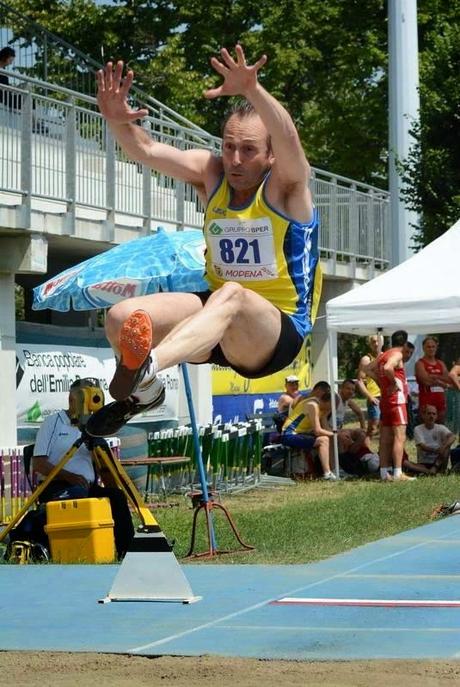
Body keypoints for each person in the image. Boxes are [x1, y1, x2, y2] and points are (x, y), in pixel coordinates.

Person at [88, 44, 320, 437]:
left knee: (232, 294)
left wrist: (252, 90)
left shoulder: (287, 189)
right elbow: (145, 149)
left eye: (248, 150)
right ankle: (146, 393)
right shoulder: (210, 173)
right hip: (214, 322)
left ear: (270, 157)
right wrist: (115, 121)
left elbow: (290, 138)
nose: (234, 160)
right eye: (229, 146)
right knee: (121, 318)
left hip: (275, 332)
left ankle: (145, 368)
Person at [32, 379, 134, 559]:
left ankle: (127, 552)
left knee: (116, 497)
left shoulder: (94, 428)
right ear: (71, 399)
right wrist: (70, 477)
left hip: (87, 488)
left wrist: (100, 454)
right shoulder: (53, 423)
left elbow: (109, 480)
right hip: (56, 487)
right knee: (77, 491)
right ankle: (74, 550)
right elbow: (38, 464)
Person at [367, 331, 415, 482]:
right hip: (397, 401)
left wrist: (381, 383)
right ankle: (398, 473)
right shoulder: (398, 354)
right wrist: (393, 383)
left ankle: (383, 473)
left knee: (385, 438)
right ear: (405, 343)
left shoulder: (383, 354)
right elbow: (388, 368)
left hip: (386, 401)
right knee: (400, 437)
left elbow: (367, 369)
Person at [281, 385, 336, 480]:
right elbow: (318, 431)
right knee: (324, 440)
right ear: (328, 402)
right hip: (289, 434)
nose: (332, 409)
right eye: (332, 406)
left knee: (330, 438)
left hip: (301, 434)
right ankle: (327, 473)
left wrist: (335, 434)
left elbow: (326, 428)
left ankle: (335, 470)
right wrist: (334, 433)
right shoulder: (313, 405)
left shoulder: (323, 408)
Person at [406, 405, 455, 475]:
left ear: (436, 416)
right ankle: (428, 471)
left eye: (434, 414)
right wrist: (436, 450)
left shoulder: (441, 427)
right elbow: (422, 446)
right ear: (423, 415)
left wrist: (443, 447)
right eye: (429, 413)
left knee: (447, 447)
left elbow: (453, 437)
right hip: (424, 462)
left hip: (439, 461)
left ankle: (437, 469)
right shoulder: (418, 429)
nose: (431, 416)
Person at [415, 336, 450, 423]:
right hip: (426, 403)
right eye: (428, 347)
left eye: (433, 346)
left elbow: (448, 379)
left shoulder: (440, 363)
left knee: (441, 430)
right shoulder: (420, 363)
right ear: (423, 348)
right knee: (426, 430)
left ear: (436, 347)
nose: (431, 349)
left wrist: (435, 377)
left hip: (440, 402)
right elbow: (426, 381)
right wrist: (442, 381)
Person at [356, 334, 383, 438]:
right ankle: (365, 450)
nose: (376, 344)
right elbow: (360, 381)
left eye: (378, 341)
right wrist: (369, 396)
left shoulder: (387, 357)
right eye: (373, 341)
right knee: (373, 427)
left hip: (386, 396)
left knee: (385, 427)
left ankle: (383, 452)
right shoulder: (366, 359)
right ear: (370, 344)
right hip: (374, 397)